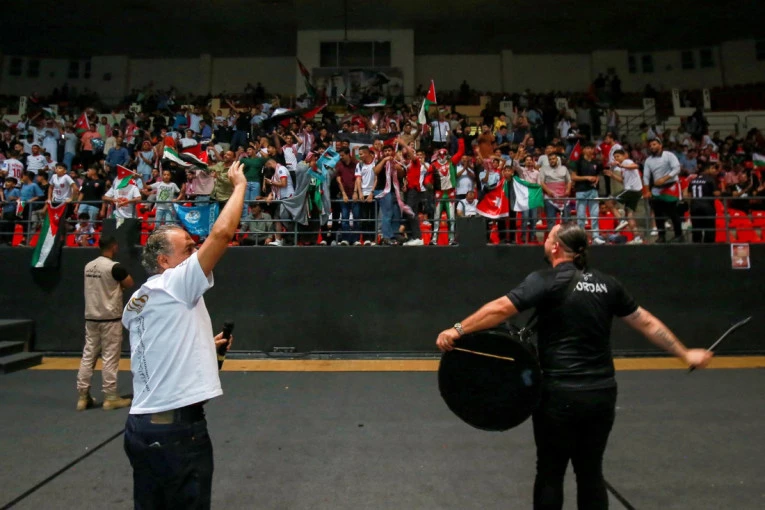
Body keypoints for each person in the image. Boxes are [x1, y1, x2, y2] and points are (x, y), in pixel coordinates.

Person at [436, 222, 713, 510]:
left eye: (548, 237)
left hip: (559, 396)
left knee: (550, 472)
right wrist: (685, 353)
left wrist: (458, 329)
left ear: (556, 247)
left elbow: (500, 309)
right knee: (590, 472)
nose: (544, 241)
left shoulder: (545, 280)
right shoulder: (608, 284)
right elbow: (645, 322)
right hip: (601, 395)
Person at [122, 161, 246, 509]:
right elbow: (222, 234)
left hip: (141, 427)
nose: (196, 252)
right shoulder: (175, 283)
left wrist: (204, 346)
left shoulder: (140, 298)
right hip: (176, 432)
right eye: (188, 248)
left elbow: (160, 345)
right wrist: (239, 186)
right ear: (163, 261)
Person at [77, 236, 134, 411]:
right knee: (110, 357)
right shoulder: (115, 267)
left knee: (88, 355)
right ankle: (110, 397)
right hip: (110, 318)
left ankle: (82, 396)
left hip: (91, 317)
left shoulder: (88, 266)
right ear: (114, 246)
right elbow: (129, 283)